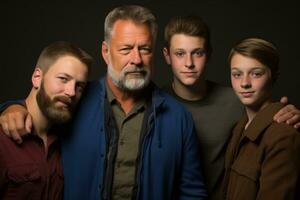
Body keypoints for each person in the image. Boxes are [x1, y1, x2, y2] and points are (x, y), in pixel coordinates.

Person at [0, 5, 207, 200]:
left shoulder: (178, 118)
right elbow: (44, 107)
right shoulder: (77, 98)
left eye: (144, 49)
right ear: (106, 52)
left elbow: (192, 192)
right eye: (126, 49)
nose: (136, 59)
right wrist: (13, 107)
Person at [162, 16, 300, 200]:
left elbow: (271, 125)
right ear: (166, 55)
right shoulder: (153, 103)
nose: (189, 63)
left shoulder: (237, 101)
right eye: (180, 53)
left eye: (198, 53)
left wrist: (292, 114)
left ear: (209, 54)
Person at [0, 41, 92, 199]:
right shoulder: (3, 139)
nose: (71, 92)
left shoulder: (65, 141)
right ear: (37, 78)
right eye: (63, 79)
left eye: (79, 86)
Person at [222, 38, 300, 199]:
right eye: (237, 74)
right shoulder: (239, 127)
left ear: (273, 75)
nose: (244, 83)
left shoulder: (282, 135)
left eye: (256, 74)